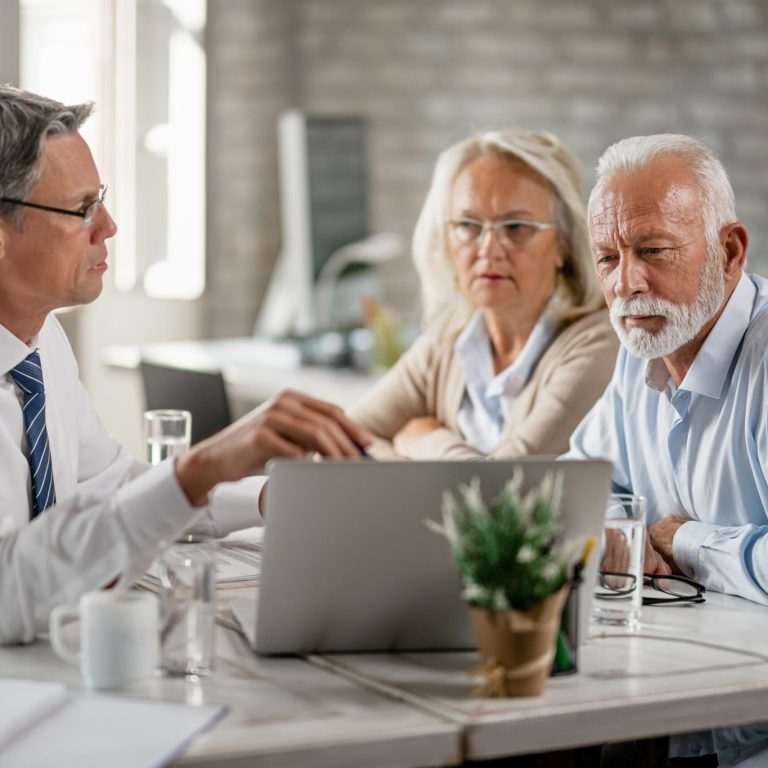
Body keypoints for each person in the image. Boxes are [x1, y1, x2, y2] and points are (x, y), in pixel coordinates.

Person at [0, 86, 371, 645]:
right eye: (81, 210)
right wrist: (198, 469)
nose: (109, 226)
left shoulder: (40, 341)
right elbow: (9, 589)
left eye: (99, 199)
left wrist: (268, 497)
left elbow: (110, 490)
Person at [566, 133, 768, 766]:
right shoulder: (645, 345)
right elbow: (579, 490)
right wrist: (610, 531)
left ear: (729, 251)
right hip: (677, 717)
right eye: (607, 258)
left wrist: (682, 541)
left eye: (653, 250)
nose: (627, 284)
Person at [348, 130, 618, 460]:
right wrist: (410, 467)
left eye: (516, 227)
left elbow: (506, 495)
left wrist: (427, 442)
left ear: (563, 243)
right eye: (468, 225)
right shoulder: (448, 341)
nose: (488, 250)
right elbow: (340, 441)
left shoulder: (600, 344)